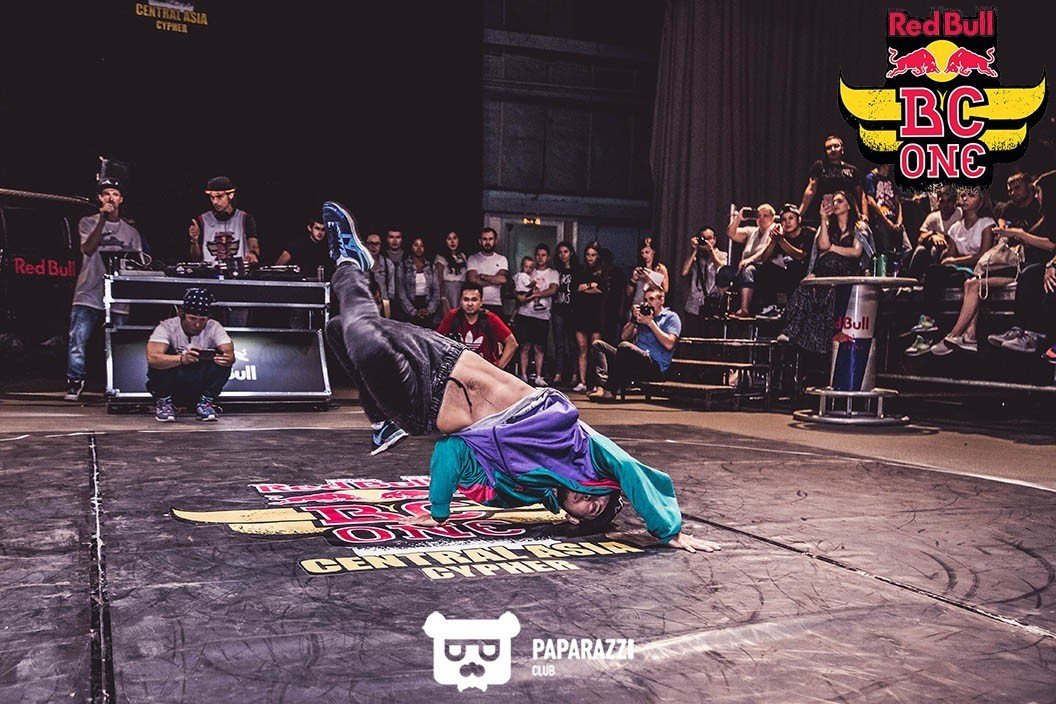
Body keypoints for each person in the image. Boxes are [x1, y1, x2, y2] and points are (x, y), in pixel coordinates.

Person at [320, 200, 718, 553]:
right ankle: (381, 416)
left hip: (424, 402)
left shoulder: (514, 489)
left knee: (360, 335)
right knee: (340, 328)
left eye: (591, 511)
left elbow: (449, 452)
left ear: (571, 517)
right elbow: (632, 471)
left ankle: (349, 264)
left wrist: (439, 510)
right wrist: (668, 530)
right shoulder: (583, 449)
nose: (591, 501)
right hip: (449, 356)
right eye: (601, 498)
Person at [65, 176, 143, 402]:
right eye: (107, 194)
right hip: (89, 291)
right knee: (78, 338)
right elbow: (88, 249)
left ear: (121, 199)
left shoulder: (131, 232)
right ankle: (75, 382)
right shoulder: (87, 222)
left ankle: (116, 383)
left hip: (118, 294)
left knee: (118, 341)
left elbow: (139, 263)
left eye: (115, 194)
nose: (111, 198)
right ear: (100, 198)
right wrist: (102, 219)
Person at [779, 191, 875, 353]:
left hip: (845, 274)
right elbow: (823, 246)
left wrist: (833, 248)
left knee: (831, 293)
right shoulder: (830, 227)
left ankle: (826, 342)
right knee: (804, 290)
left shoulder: (859, 227)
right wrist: (823, 219)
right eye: (834, 201)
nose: (835, 204)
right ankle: (791, 333)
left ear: (849, 205)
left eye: (840, 201)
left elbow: (856, 252)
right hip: (824, 273)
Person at [920, 190, 1000, 356]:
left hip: (978, 270)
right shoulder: (956, 228)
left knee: (954, 273)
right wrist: (949, 259)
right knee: (934, 270)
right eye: (962, 195)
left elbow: (983, 255)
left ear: (981, 200)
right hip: (959, 270)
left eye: (971, 195)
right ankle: (928, 319)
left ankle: (956, 334)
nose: (965, 199)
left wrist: (954, 261)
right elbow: (950, 255)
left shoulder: (987, 223)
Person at [145, 288, 234, 422]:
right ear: (181, 314)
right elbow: (153, 358)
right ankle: (164, 402)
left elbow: (229, 354)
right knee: (162, 358)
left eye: (202, 320)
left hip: (198, 384)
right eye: (192, 319)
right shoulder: (167, 326)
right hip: (172, 383)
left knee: (222, 361)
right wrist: (181, 359)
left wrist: (226, 359)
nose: (197, 324)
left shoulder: (214, 327)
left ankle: (205, 403)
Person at [588, 283, 681, 402]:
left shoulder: (671, 317)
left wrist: (650, 323)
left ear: (661, 300)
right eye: (645, 300)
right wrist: (633, 320)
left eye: (651, 299)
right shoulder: (642, 316)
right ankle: (604, 386)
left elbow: (669, 344)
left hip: (655, 366)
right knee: (598, 345)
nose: (648, 303)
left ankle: (609, 390)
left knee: (625, 347)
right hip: (634, 361)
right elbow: (624, 337)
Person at [188, 176, 260, 327]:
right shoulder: (202, 220)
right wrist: (194, 241)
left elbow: (254, 246)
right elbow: (195, 258)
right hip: (210, 282)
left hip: (238, 281)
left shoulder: (244, 218)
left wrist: (252, 255)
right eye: (212, 198)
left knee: (237, 328)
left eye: (219, 197)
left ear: (231, 195)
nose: (215, 201)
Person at [437, 282, 518, 368]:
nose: (470, 304)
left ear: (481, 302)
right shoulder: (453, 316)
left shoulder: (490, 318)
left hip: (485, 369)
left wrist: (498, 368)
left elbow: (512, 343)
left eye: (474, 300)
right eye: (466, 299)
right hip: (459, 368)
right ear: (460, 301)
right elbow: (436, 340)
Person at [727, 204, 782, 318]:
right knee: (724, 272)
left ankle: (744, 309)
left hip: (767, 269)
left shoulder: (775, 229)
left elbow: (765, 251)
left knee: (748, 270)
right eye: (759, 215)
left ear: (772, 218)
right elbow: (730, 233)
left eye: (765, 215)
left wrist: (749, 260)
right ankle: (725, 308)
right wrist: (738, 218)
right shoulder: (752, 231)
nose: (761, 218)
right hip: (745, 267)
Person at [798, 135, 867, 223]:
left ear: (842, 149)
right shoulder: (819, 166)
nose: (833, 149)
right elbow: (811, 190)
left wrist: (864, 214)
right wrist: (799, 213)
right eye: (829, 148)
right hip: (825, 213)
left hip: (847, 215)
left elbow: (860, 194)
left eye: (836, 146)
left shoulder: (852, 170)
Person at [571, 242, 607, 393]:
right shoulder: (580, 271)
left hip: (596, 315)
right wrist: (591, 285)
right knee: (582, 349)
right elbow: (576, 288)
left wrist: (586, 288)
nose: (590, 258)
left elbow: (601, 290)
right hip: (581, 314)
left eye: (593, 255)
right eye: (588, 255)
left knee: (596, 350)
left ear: (597, 256)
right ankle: (583, 382)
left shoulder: (602, 272)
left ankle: (596, 382)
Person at [680, 226, 728, 336]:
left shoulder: (721, 255)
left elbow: (721, 269)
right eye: (704, 238)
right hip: (693, 305)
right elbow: (684, 272)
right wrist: (695, 249)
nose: (707, 241)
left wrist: (710, 250)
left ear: (714, 239)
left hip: (712, 306)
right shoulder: (696, 257)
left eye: (709, 238)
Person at [864, 163, 909, 255]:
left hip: (894, 218)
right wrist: (886, 221)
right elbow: (871, 201)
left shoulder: (891, 178)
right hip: (880, 220)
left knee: (906, 248)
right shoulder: (871, 178)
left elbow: (897, 201)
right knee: (886, 251)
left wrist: (900, 219)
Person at [550, 241, 578, 387]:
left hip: (572, 311)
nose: (563, 255)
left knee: (573, 344)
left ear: (571, 253)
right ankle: (558, 374)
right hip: (558, 310)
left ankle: (575, 375)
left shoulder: (577, 270)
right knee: (559, 344)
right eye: (560, 252)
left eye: (565, 252)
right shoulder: (556, 271)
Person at [397, 236, 441, 328]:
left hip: (427, 305)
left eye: (422, 245)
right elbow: (401, 293)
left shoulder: (431, 266)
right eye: (416, 245)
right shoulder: (403, 266)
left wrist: (429, 310)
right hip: (409, 307)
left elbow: (436, 291)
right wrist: (413, 311)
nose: (419, 248)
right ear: (411, 246)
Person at [466, 227, 509, 319]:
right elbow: (472, 281)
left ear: (495, 241)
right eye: (484, 239)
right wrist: (494, 280)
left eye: (490, 239)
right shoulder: (473, 258)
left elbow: (502, 279)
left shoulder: (502, 259)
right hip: (476, 303)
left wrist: (482, 276)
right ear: (480, 241)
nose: (487, 242)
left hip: (496, 304)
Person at [626, 236, 669, 307]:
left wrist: (647, 279)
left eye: (647, 252)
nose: (644, 255)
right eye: (642, 253)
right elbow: (628, 293)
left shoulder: (660, 268)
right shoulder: (639, 268)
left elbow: (665, 291)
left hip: (653, 306)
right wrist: (633, 280)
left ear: (653, 251)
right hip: (638, 304)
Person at [435, 231, 468, 314]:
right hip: (448, 291)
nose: (452, 241)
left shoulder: (462, 256)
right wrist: (443, 298)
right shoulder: (441, 257)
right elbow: (439, 280)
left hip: (461, 290)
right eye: (449, 239)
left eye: (455, 238)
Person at [364, 232, 396, 318]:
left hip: (383, 306)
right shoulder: (360, 265)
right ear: (365, 245)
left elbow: (391, 290)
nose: (374, 246)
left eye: (377, 244)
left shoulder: (388, 264)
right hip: (364, 305)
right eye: (371, 243)